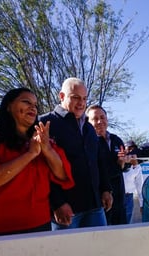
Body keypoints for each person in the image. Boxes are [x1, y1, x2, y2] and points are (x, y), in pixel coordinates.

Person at [0, 88, 74, 237]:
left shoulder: (44, 141)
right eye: (26, 102)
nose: (33, 107)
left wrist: (47, 149)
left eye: (35, 105)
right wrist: (30, 154)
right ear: (8, 106)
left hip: (39, 225)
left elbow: (63, 174)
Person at [39, 78, 113, 230]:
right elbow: (41, 169)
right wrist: (57, 203)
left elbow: (98, 161)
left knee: (99, 252)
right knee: (67, 254)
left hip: (95, 207)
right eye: (75, 97)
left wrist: (106, 189)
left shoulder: (89, 128)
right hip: (66, 210)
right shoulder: (45, 123)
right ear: (61, 96)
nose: (81, 103)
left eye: (84, 98)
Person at [85, 104, 127, 225]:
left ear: (107, 119)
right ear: (88, 122)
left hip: (119, 198)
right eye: (95, 118)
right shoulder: (88, 142)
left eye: (102, 117)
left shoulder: (116, 140)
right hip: (101, 202)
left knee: (122, 236)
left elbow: (122, 166)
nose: (100, 121)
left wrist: (124, 163)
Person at [122, 140, 144, 223]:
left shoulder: (137, 167)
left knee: (127, 223)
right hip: (116, 196)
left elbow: (140, 186)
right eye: (129, 149)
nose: (131, 151)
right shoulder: (117, 163)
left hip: (128, 197)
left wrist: (142, 204)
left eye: (133, 149)